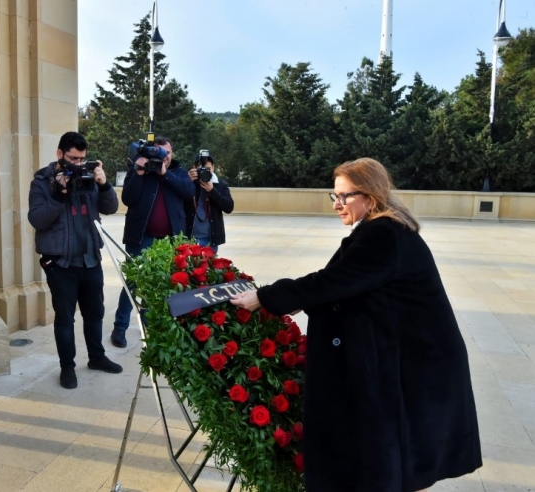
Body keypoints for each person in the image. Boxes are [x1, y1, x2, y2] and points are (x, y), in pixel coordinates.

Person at [231, 158, 482, 492]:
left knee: (405, 456)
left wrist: (265, 297)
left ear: (371, 196)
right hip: (416, 359)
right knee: (404, 460)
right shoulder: (383, 229)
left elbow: (333, 282)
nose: (337, 205)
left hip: (421, 365)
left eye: (344, 196)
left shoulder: (383, 234)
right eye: (333, 196)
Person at [28, 131, 122, 389]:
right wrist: (59, 193)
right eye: (73, 158)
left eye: (82, 159)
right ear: (60, 154)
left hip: (90, 257)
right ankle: (67, 367)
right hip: (61, 263)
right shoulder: (42, 182)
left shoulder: (88, 176)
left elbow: (110, 207)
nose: (78, 164)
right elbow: (37, 220)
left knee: (95, 313)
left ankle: (97, 357)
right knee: (65, 318)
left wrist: (103, 184)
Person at [111, 137, 194, 348]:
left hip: (169, 240)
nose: (165, 157)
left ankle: (153, 328)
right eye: (160, 153)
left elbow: (188, 192)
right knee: (133, 283)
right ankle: (120, 327)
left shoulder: (178, 172)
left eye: (168, 153)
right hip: (141, 237)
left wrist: (164, 174)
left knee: (161, 284)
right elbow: (128, 199)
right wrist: (139, 173)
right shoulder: (140, 169)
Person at [185, 153, 234, 252]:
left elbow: (229, 207)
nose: (204, 172)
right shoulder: (188, 182)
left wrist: (212, 191)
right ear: (194, 168)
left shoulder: (220, 185)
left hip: (210, 239)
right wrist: (186, 181)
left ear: (213, 168)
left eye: (207, 169)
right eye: (200, 169)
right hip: (188, 238)